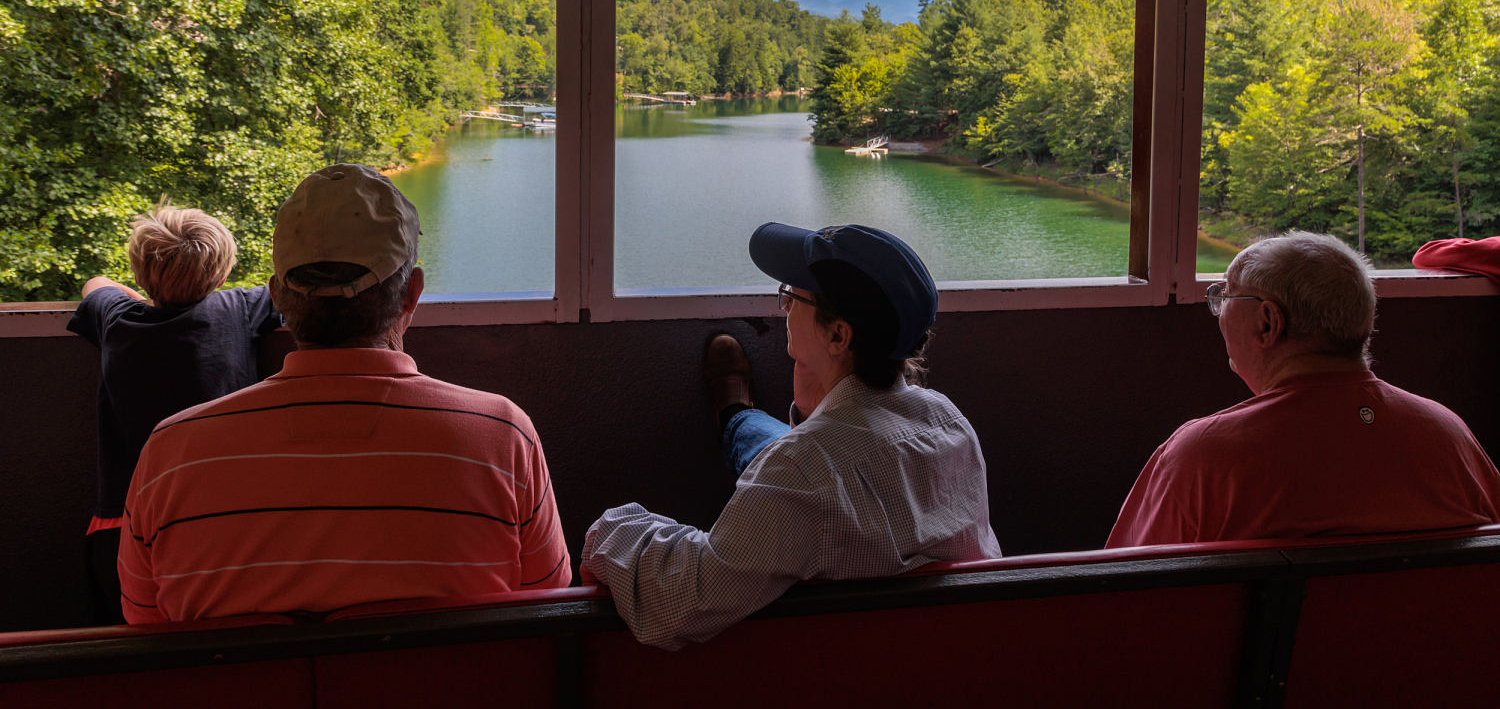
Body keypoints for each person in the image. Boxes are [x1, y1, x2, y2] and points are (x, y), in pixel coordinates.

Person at [117, 164, 569, 622]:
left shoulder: (169, 453)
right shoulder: (503, 435)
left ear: (277, 296)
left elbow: (145, 620)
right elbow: (547, 598)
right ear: (413, 292)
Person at [582, 222, 1001, 650]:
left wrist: (609, 533)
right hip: (948, 652)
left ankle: (735, 415)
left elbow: (684, 597)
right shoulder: (949, 421)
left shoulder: (802, 471)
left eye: (791, 295)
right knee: (772, 444)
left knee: (768, 447)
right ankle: (740, 416)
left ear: (838, 335)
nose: (783, 307)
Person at [1108, 231, 1500, 548]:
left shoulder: (1202, 456)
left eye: (1225, 296)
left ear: (1267, 323)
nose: (1219, 309)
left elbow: (1127, 591)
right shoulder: (1447, 434)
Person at [68, 203, 279, 624]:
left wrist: (141, 297)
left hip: (121, 524)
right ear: (221, 270)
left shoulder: (116, 319)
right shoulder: (239, 310)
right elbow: (285, 291)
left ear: (139, 268)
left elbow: (96, 283)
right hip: (216, 522)